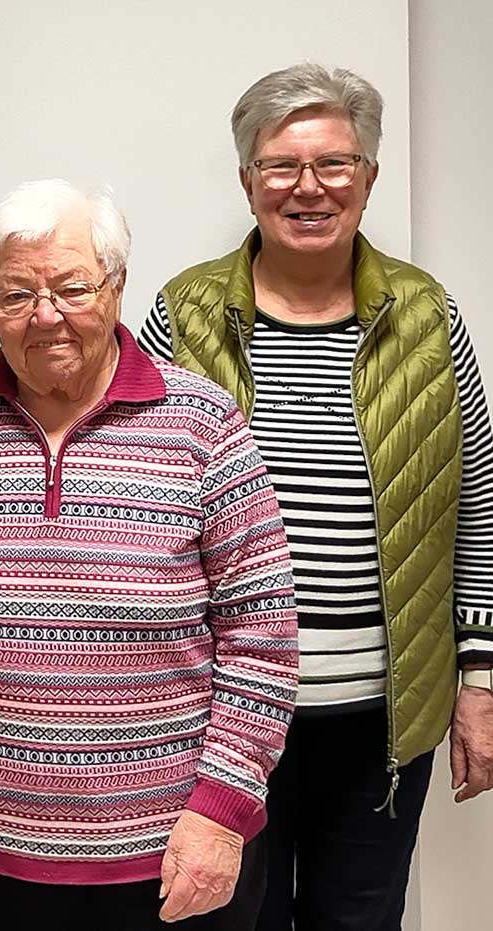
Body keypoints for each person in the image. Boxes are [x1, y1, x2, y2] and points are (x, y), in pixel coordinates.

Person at [0, 178, 300, 930]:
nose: (45, 316)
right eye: (14, 294)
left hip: (171, 858)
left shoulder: (202, 424)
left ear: (117, 284)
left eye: (71, 287)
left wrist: (220, 811)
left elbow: (261, 637)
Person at [139, 63, 493, 929]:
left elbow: (474, 506)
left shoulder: (425, 315)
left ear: (367, 180)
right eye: (279, 166)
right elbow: (137, 510)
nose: (307, 188)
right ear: (247, 181)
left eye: (334, 163)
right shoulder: (180, 316)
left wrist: (478, 676)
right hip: (218, 724)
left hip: (381, 720)